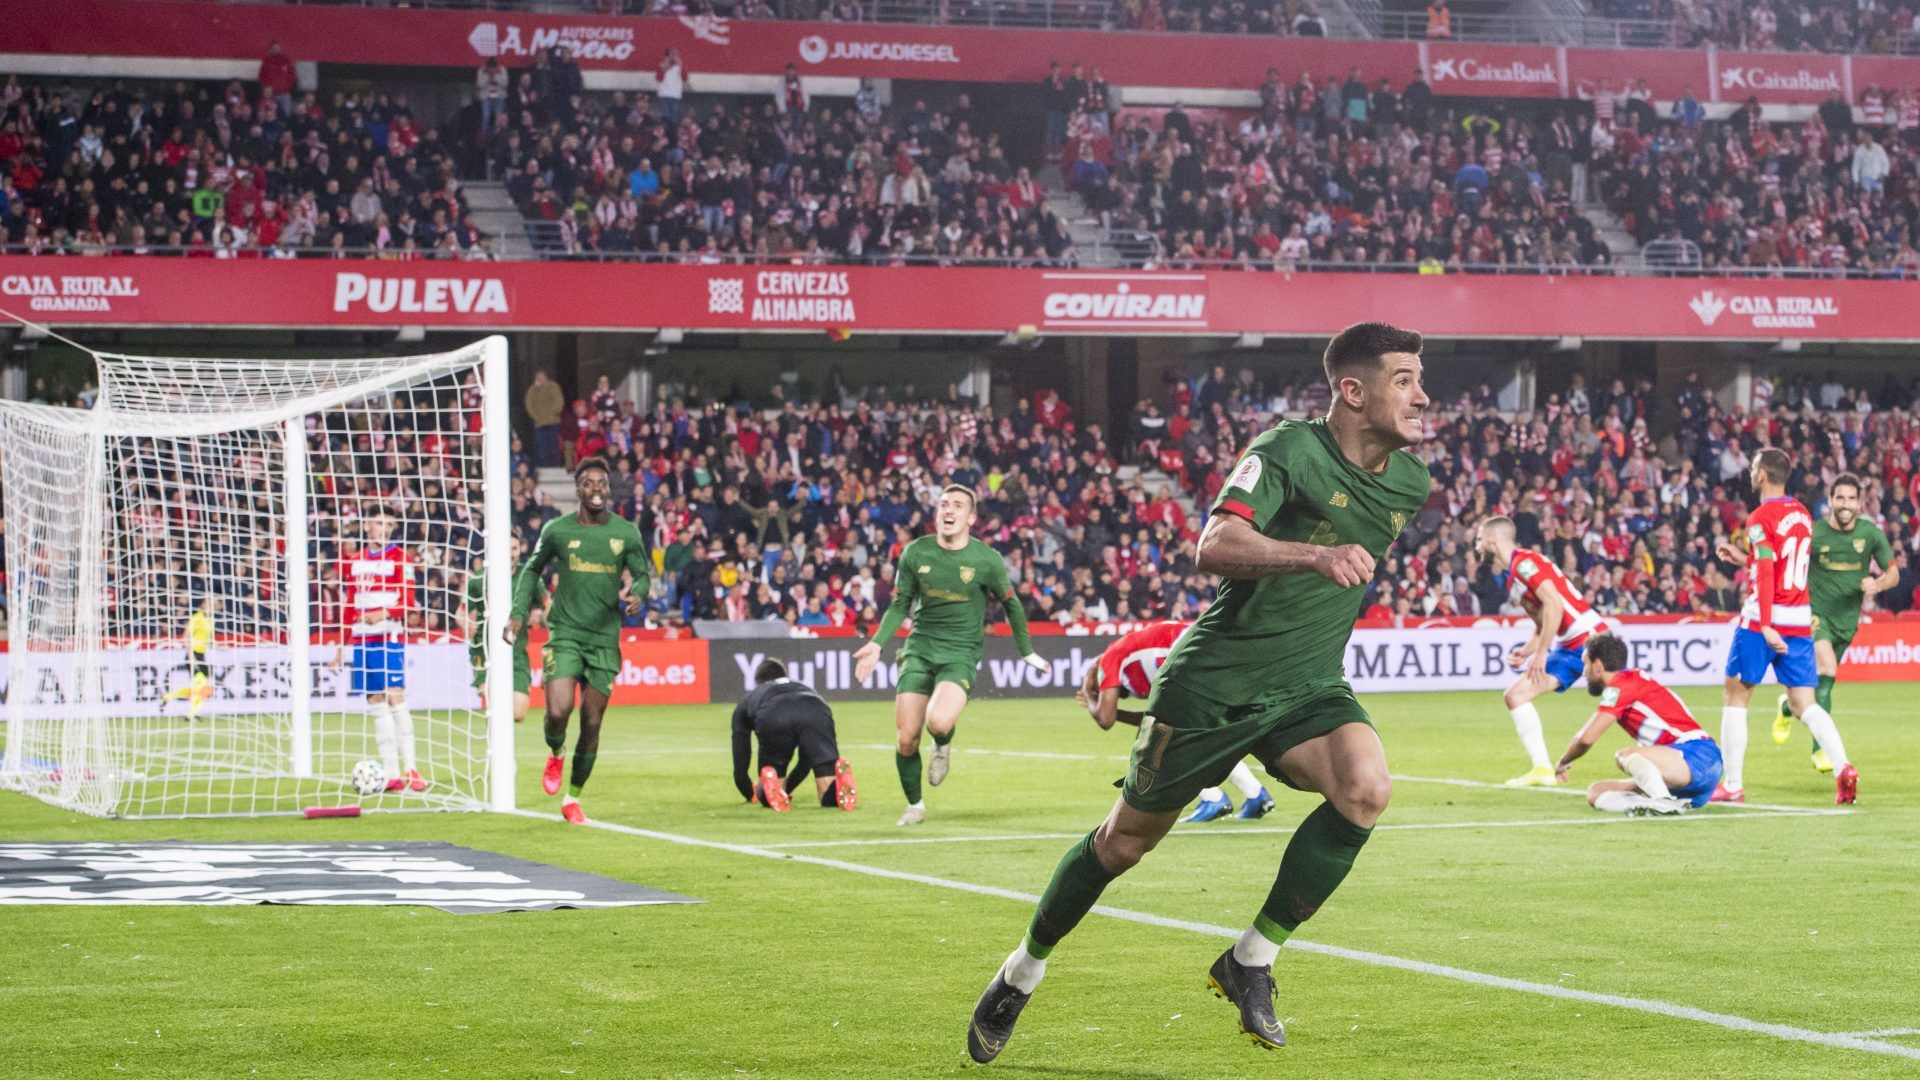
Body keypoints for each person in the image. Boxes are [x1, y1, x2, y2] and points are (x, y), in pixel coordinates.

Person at [966, 323, 1430, 1062]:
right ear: (1353, 390)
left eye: (1418, 377)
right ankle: (1021, 970)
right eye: (1403, 378)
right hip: (1213, 685)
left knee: (1366, 789)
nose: (1421, 394)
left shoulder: (1411, 482)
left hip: (1308, 686)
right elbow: (1213, 544)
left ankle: (1250, 959)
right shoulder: (1287, 449)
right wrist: (1315, 553)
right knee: (1123, 844)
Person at [852, 484, 1047, 827]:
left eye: (957, 505)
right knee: (906, 738)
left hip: (960, 653)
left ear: (971, 517)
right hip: (919, 650)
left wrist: (1027, 652)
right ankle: (915, 805)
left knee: (938, 721)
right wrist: (878, 643)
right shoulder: (916, 552)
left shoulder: (986, 559)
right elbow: (900, 604)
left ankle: (943, 744)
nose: (948, 510)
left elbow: (1012, 604)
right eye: (943, 504)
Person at [507, 457, 650, 825]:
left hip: (604, 639)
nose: (597, 489)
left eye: (602, 483)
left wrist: (638, 594)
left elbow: (642, 574)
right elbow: (531, 570)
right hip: (566, 633)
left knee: (592, 722)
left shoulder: (626, 533)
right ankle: (556, 750)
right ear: (578, 490)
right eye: (589, 483)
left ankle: (573, 797)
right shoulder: (557, 530)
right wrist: (518, 614)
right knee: (557, 712)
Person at [1713, 448, 1856, 806]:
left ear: (1762, 474)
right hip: (1798, 617)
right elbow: (1778, 561)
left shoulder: (1760, 517)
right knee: (1804, 702)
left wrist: (1763, 625)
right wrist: (1743, 558)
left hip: (1767, 617)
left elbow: (1766, 571)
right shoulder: (1803, 514)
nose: (1750, 471)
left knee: (1736, 693)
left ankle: (1732, 784)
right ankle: (1843, 768)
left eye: (1753, 466)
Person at [1076, 620, 1274, 822]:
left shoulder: (1110, 658)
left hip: (1191, 652)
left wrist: (1087, 693)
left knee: (1169, 743)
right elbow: (1151, 717)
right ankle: (1254, 794)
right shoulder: (1137, 666)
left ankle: (1214, 799)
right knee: (1200, 738)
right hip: (1209, 647)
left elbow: (1105, 719)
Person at [1473, 516, 1618, 786]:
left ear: (1493, 539)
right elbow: (1544, 618)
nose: (1477, 545)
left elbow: (1555, 605)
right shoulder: (1514, 575)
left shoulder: (1524, 563)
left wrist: (1540, 654)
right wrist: (1529, 649)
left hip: (1589, 641)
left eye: (1480, 539)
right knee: (1516, 695)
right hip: (1570, 644)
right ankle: (1542, 770)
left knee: (1624, 701)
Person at [1770, 473, 1897, 773]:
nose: (1845, 504)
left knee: (1819, 685)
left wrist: (1877, 584)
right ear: (1829, 501)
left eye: (1851, 499)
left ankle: (1787, 707)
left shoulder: (1870, 534)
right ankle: (1821, 751)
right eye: (1839, 498)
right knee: (1826, 667)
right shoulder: (1815, 534)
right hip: (1814, 615)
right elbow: (1787, 564)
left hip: (1846, 621)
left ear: (1859, 503)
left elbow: (1893, 573)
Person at [1554, 632, 1722, 815]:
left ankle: (1662, 801)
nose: (1583, 672)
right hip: (1687, 768)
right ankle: (1657, 804)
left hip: (1697, 756)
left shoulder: (1620, 685)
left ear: (1597, 665)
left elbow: (1586, 739)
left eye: (1585, 664)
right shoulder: (1632, 680)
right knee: (1597, 792)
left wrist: (1563, 761)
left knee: (1625, 755)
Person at [332, 507, 423, 794]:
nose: (383, 528)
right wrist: (341, 645)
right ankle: (392, 773)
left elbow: (409, 602)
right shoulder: (353, 561)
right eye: (378, 522)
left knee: (395, 697)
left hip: (389, 637)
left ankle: (412, 768)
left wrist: (381, 613)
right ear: (368, 526)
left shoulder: (401, 558)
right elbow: (349, 605)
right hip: (361, 641)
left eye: (388, 524)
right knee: (375, 703)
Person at [731, 658, 857, 812]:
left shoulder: (751, 697)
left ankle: (772, 790)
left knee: (771, 782)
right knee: (827, 793)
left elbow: (741, 756)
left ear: (759, 683)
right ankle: (837, 789)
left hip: (772, 713)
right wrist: (790, 786)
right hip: (816, 708)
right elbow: (807, 760)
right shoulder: (802, 687)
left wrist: (749, 793)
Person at [466, 557, 542, 725]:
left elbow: (545, 603)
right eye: (508, 548)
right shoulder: (479, 579)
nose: (511, 553)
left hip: (516, 651)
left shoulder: (529, 575)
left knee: (518, 713)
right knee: (496, 709)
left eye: (515, 549)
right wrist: (467, 623)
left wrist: (542, 616)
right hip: (485, 650)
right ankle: (494, 748)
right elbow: (463, 611)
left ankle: (498, 745)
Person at [162, 595, 217, 719]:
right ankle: (191, 714)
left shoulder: (209, 620)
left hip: (202, 655)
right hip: (193, 654)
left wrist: (221, 647)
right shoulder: (197, 618)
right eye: (209, 603)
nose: (212, 606)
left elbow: (209, 639)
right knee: (204, 688)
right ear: (203, 605)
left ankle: (168, 697)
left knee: (199, 689)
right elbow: (185, 637)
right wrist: (191, 656)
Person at [525, 369, 566, 469]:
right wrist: (536, 417)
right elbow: (529, 404)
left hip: (553, 422)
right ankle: (543, 466)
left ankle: (555, 465)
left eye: (541, 377)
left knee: (553, 445)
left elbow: (559, 400)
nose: (539, 379)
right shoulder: (532, 390)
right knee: (541, 446)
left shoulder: (553, 386)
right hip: (539, 423)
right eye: (537, 377)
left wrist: (555, 412)